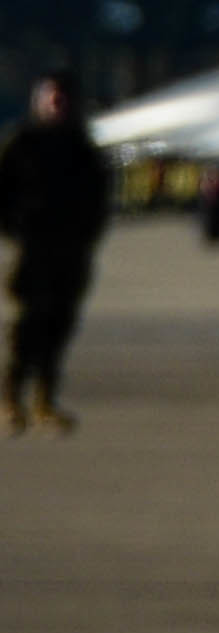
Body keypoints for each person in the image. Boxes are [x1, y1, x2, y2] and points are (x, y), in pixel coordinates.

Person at [4, 72, 110, 433]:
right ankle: (11, 397)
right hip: (35, 248)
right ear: (39, 101)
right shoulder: (24, 145)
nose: (56, 104)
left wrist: (87, 234)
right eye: (50, 98)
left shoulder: (83, 150)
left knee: (59, 326)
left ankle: (45, 400)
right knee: (30, 324)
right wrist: (16, 229)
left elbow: (99, 198)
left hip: (72, 250)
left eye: (62, 98)